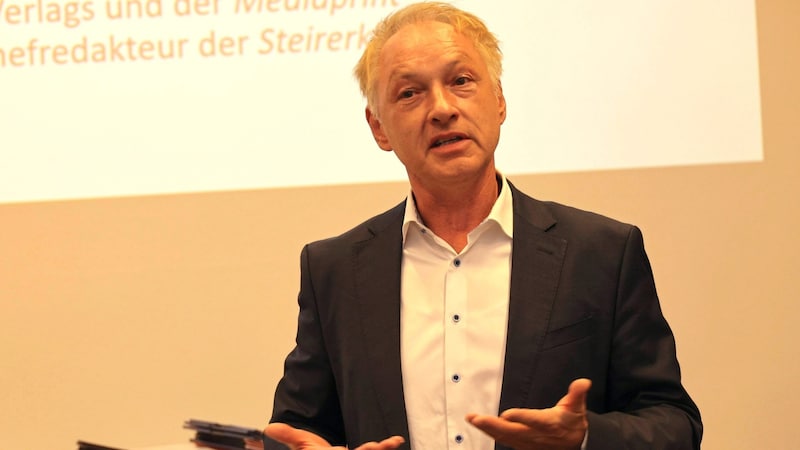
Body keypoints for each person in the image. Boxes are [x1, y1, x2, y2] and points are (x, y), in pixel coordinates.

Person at [263, 2, 702, 450]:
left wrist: (586, 438)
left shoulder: (602, 252)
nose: (441, 109)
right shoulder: (334, 270)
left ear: (499, 100)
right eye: (409, 93)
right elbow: (300, 429)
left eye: (460, 81)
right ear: (379, 128)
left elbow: (674, 424)